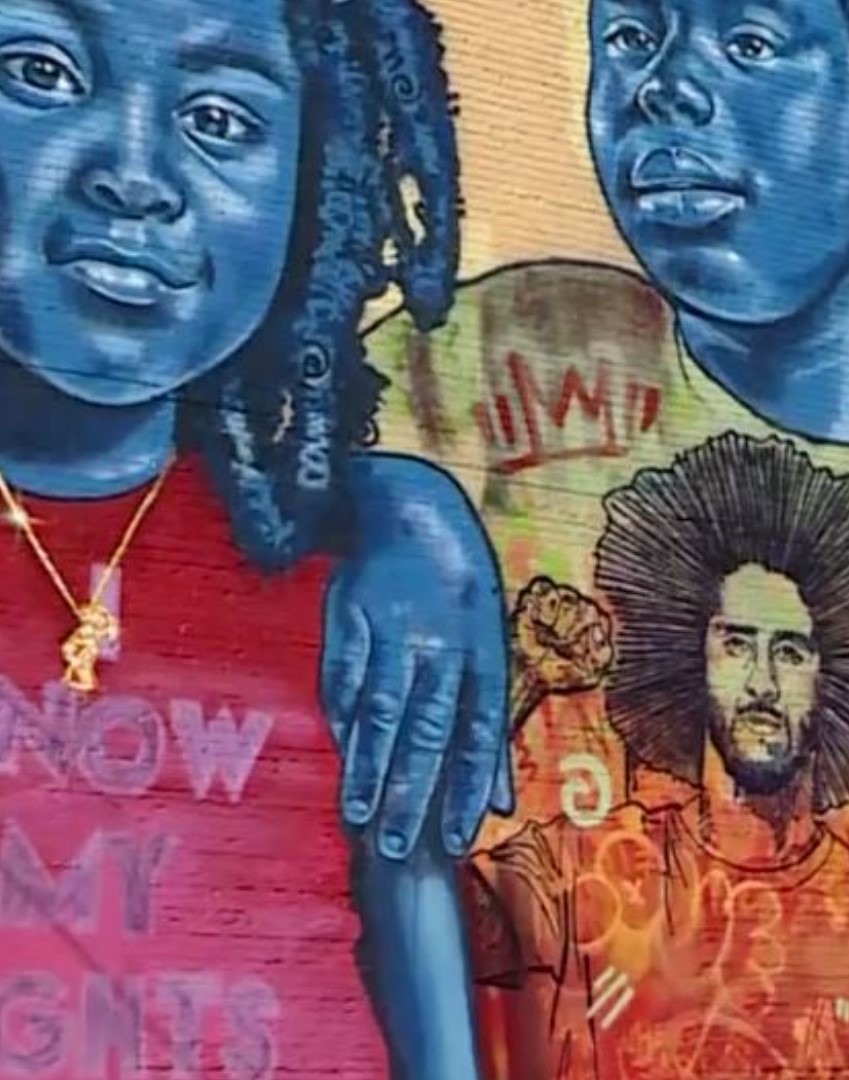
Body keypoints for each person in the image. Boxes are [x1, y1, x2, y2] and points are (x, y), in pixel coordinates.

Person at [364, 0, 849, 1074]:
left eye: (752, 42)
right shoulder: (485, 359)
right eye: (630, 38)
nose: (662, 85)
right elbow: (224, 457)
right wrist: (393, 508)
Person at [0, 0, 513, 1074]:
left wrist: (410, 516)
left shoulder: (358, 572)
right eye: (39, 71)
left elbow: (428, 1007)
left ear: (312, 181)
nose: (135, 175)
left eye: (223, 119)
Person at [465, 433, 849, 1079]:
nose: (761, 682)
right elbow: (419, 928)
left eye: (790, 652)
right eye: (736, 644)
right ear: (692, 662)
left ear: (832, 676)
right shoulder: (586, 875)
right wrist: (520, 684)